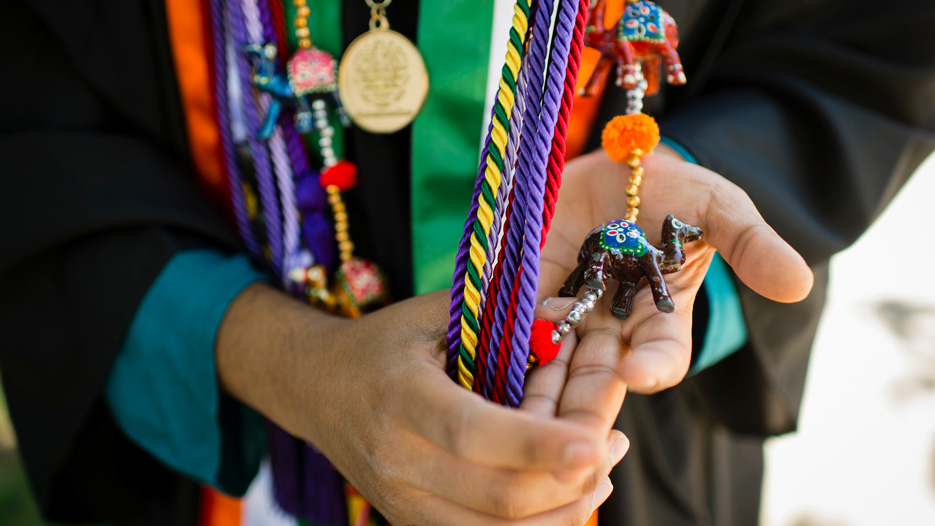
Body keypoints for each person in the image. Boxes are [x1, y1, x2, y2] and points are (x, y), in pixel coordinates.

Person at [1, 0, 933, 525]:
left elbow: (864, 37)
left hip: (618, 443)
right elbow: (36, 126)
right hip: (231, 466)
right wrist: (285, 360)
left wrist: (676, 181)